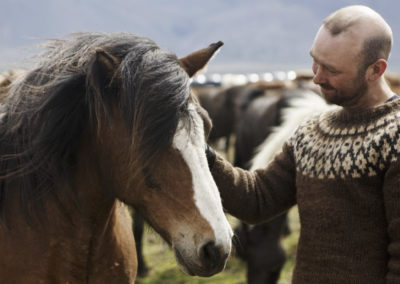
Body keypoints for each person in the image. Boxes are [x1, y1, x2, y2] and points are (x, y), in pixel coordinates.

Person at [206, 5, 400, 283]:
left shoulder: (395, 138)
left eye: (331, 69)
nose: (317, 77)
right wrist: (203, 156)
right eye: (315, 61)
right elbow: (258, 200)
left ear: (375, 70)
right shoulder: (312, 131)